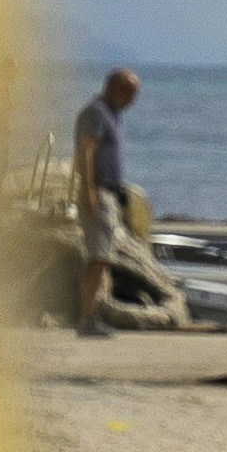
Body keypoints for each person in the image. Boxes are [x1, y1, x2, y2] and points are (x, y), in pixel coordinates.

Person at [71, 65, 142, 330]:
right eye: (130, 93)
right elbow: (86, 151)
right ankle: (87, 317)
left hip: (110, 192)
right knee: (98, 257)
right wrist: (89, 190)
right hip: (98, 191)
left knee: (103, 258)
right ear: (115, 89)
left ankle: (92, 315)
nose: (132, 101)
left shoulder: (112, 114)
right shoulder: (96, 113)